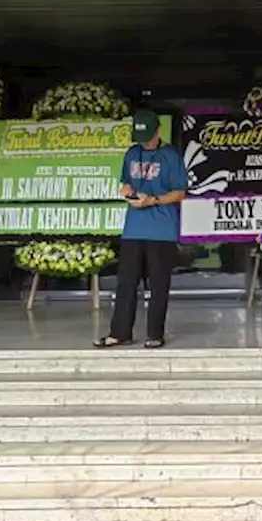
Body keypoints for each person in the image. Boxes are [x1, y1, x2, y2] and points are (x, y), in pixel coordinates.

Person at [94, 109, 189, 349]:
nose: (144, 141)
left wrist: (153, 200)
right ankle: (120, 332)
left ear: (158, 130)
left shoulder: (170, 156)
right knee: (126, 283)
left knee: (158, 285)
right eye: (140, 137)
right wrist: (127, 191)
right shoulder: (132, 152)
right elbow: (125, 182)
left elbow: (180, 192)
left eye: (148, 136)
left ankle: (155, 334)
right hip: (133, 228)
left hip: (161, 229)